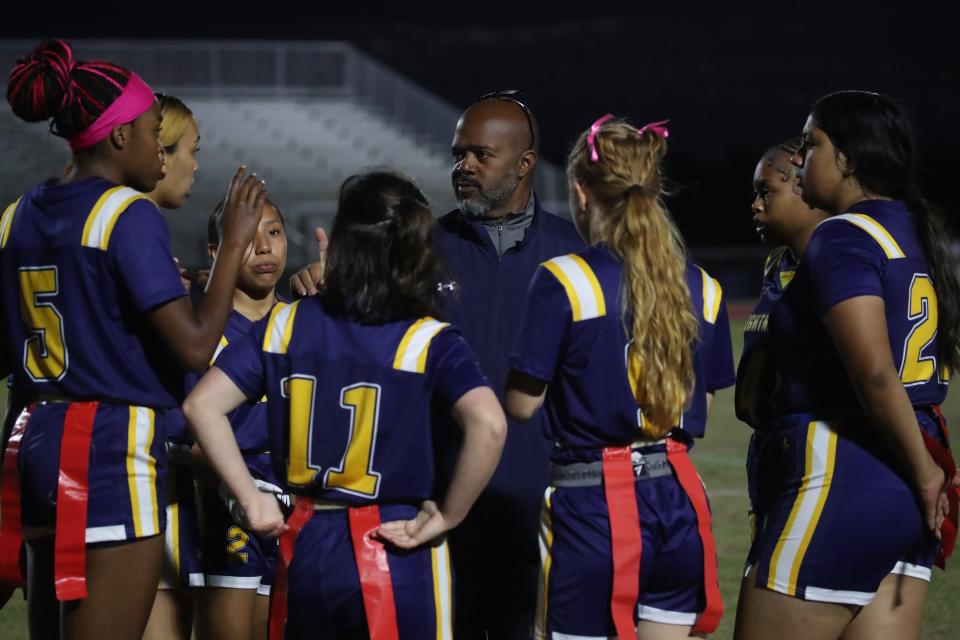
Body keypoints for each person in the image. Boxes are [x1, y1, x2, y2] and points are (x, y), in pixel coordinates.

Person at [289, 91, 582, 640]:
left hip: (543, 506)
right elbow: (359, 329)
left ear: (524, 164)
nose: (462, 167)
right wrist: (325, 281)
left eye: (479, 155)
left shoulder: (577, 253)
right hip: (434, 505)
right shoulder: (419, 247)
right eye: (457, 154)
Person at [0, 39, 266, 640]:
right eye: (152, 129)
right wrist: (231, 247)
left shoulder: (17, 215)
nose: (161, 148)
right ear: (120, 138)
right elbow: (195, 346)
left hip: (36, 439)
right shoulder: (126, 212)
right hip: (108, 447)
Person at [184, 170, 507, 639]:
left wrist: (251, 500)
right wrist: (449, 513)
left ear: (333, 240)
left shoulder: (286, 324)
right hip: (396, 545)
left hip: (308, 540)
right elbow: (490, 425)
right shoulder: (425, 338)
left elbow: (201, 407)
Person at [733, 91, 960, 640]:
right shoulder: (914, 229)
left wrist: (927, 474)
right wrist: (925, 472)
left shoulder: (840, 235)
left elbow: (875, 372)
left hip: (843, 470)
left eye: (812, 145)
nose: (803, 158)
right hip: (906, 477)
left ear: (849, 160)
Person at [506, 115, 726, 639]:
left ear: (581, 193)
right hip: (678, 499)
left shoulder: (566, 278)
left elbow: (521, 405)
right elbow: (703, 406)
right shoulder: (703, 286)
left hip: (593, 506)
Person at [194, 199, 287, 640]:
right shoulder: (199, 334)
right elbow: (182, 433)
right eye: (248, 239)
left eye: (273, 233)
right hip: (229, 512)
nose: (264, 248)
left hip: (296, 512)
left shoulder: (305, 321)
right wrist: (241, 485)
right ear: (218, 252)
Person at [736, 138, 827, 538]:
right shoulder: (779, 262)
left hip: (815, 457)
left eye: (766, 192)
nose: (756, 205)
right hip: (771, 448)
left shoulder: (839, 269)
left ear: (805, 188)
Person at [141, 92, 205, 640]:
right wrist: (230, 255)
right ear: (158, 153)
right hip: (135, 456)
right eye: (192, 149)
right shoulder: (132, 225)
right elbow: (193, 351)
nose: (195, 164)